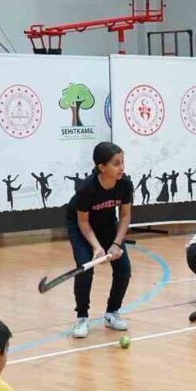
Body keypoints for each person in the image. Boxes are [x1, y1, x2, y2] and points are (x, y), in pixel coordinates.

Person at [64, 141, 133, 338]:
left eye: (122, 162)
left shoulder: (125, 184)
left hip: (108, 223)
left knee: (124, 269)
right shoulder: (87, 188)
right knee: (85, 269)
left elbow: (125, 216)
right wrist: (97, 247)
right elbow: (83, 221)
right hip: (81, 226)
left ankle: (112, 313)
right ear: (102, 167)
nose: (121, 167)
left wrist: (116, 244)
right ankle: (82, 317)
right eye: (116, 163)